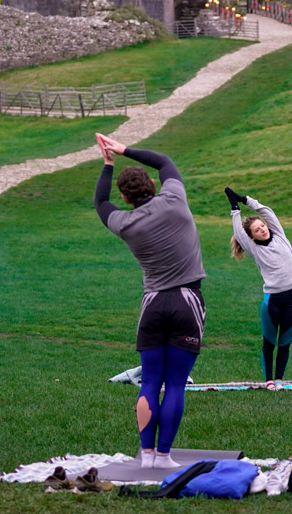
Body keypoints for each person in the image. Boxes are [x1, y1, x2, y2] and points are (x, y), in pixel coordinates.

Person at [93, 133, 206, 469]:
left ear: (125, 198)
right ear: (154, 186)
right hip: (187, 302)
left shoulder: (124, 223)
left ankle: (146, 456)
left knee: (151, 381)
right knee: (175, 385)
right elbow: (164, 162)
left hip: (153, 305)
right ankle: (164, 456)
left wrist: (108, 164)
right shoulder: (175, 198)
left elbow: (100, 202)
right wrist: (122, 149)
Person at [226, 187, 292, 389]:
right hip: (273, 302)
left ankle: (279, 380)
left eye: (262, 225)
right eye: (257, 230)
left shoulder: (279, 235)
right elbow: (238, 233)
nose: (262, 229)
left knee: (285, 343)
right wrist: (235, 209)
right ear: (252, 237)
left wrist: (245, 200)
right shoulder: (255, 249)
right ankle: (269, 380)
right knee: (269, 343)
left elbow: (267, 211)